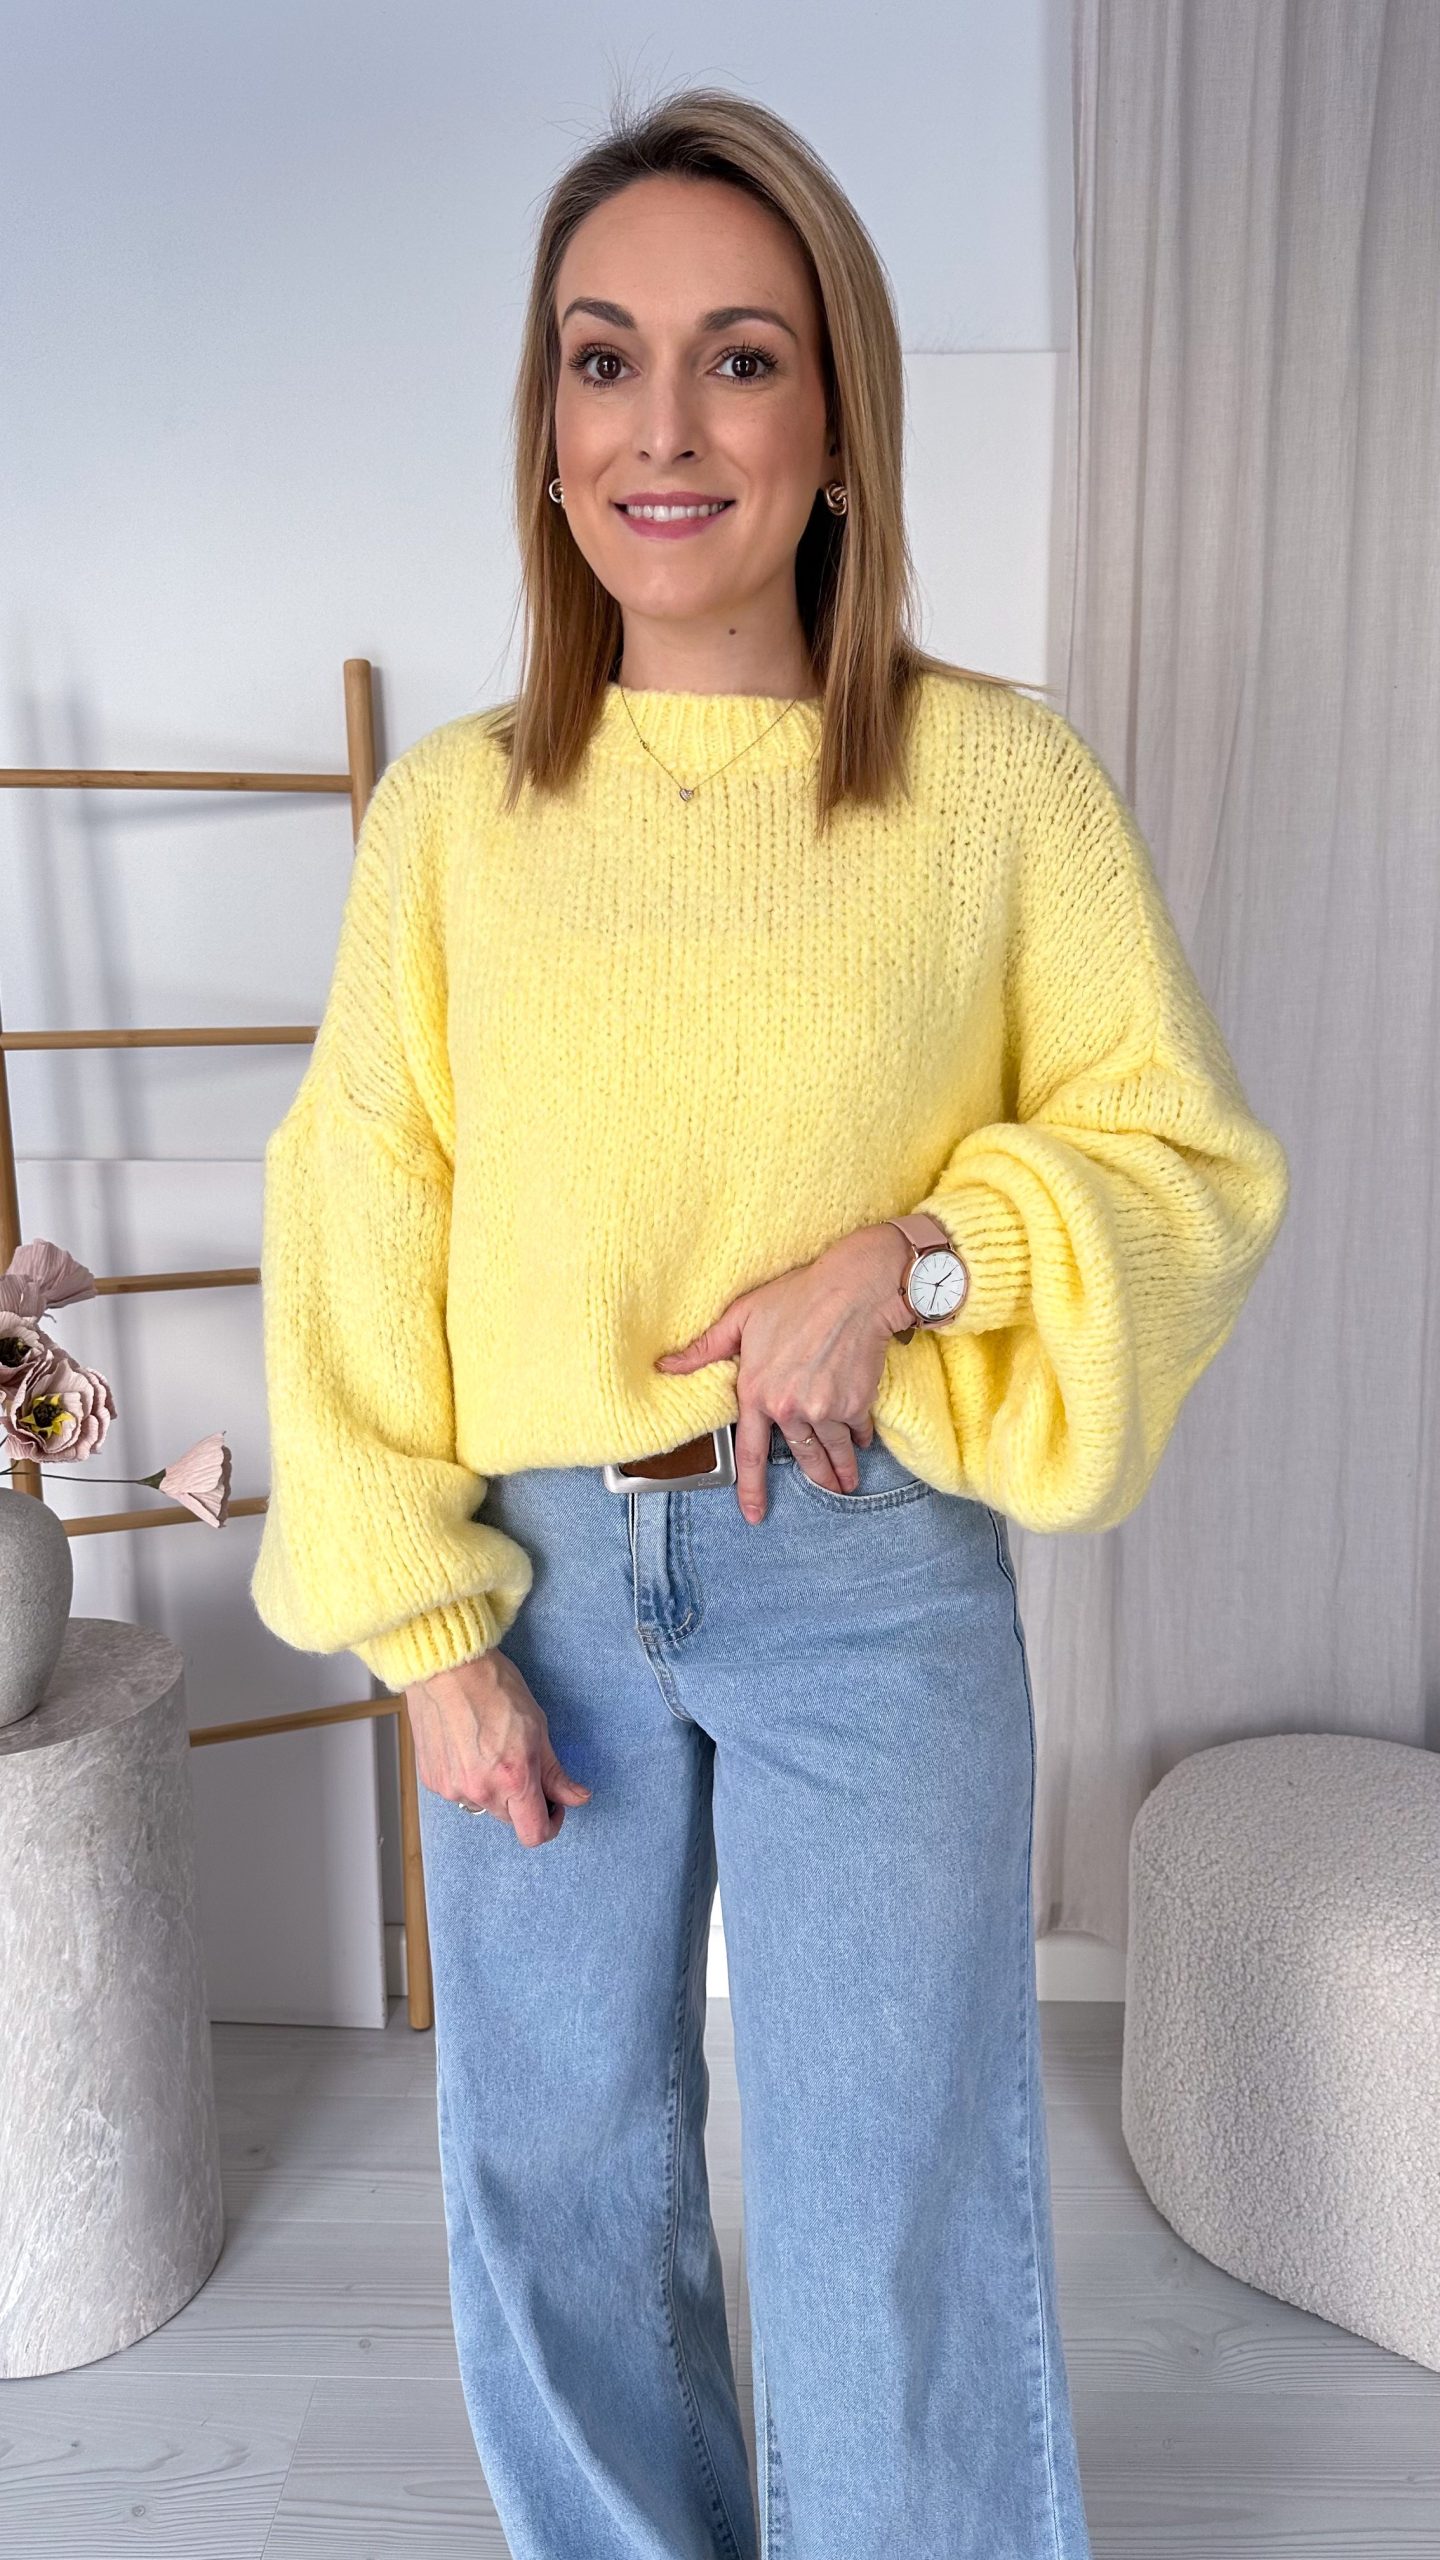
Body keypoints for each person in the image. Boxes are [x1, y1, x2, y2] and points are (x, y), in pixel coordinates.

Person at [251, 82, 1289, 2560]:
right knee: (555, 2178)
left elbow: (1183, 1160)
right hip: (531, 1582)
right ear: (546, 426)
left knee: (887, 2191)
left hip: (871, 1574)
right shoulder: (455, 816)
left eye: (740, 358)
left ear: (838, 425)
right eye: (601, 359)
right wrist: (427, 1635)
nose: (664, 428)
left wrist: (913, 1260)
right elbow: (356, 1209)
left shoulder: (997, 785)